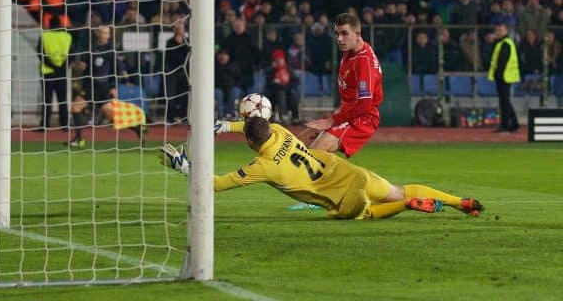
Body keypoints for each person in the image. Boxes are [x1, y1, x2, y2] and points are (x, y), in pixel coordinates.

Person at [163, 117, 483, 220]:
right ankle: (460, 202)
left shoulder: (263, 166)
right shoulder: (280, 131)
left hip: (341, 196)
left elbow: (216, 184)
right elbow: (254, 126)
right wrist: (225, 125)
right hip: (348, 172)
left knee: (367, 214)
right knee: (398, 189)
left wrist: (184, 166)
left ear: (249, 142)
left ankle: (407, 207)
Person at [305, 13, 383, 158]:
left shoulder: (364, 62)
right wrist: (336, 114)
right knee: (300, 143)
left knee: (313, 154)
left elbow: (364, 107)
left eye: (344, 34)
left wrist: (331, 120)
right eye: (337, 34)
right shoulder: (350, 51)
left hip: (362, 119)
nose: (339, 39)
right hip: (348, 113)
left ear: (357, 34)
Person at [37, 15, 72, 130]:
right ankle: (65, 125)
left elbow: (40, 54)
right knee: (62, 100)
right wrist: (61, 67)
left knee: (47, 100)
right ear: (60, 25)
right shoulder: (67, 37)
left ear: (49, 25)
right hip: (62, 72)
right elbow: (72, 55)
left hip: (47, 72)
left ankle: (44, 125)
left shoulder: (44, 36)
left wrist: (52, 66)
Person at [488, 23, 520, 132]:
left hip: (504, 76)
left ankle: (506, 125)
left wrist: (498, 74)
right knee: (505, 101)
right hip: (504, 76)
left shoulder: (505, 44)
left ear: (506, 31)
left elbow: (502, 62)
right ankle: (513, 123)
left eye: (501, 30)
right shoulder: (502, 43)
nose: (499, 32)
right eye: (498, 30)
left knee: (504, 102)